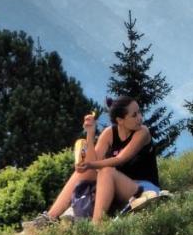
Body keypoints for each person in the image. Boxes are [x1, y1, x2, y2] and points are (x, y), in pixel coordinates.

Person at [24, 96, 162, 228]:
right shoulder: (109, 133)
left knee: (106, 170)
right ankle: (49, 219)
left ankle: (96, 227)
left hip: (144, 190)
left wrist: (90, 165)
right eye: (134, 115)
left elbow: (120, 159)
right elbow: (92, 162)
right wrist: (90, 133)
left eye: (139, 112)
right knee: (87, 172)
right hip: (118, 188)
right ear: (120, 120)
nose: (140, 118)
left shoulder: (142, 132)